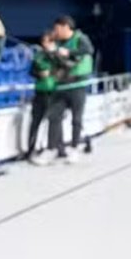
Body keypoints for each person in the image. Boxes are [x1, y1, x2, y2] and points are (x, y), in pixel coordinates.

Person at [35, 15, 94, 166]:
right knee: (53, 117)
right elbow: (54, 61)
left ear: (65, 27)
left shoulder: (80, 38)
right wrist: (50, 52)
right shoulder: (57, 42)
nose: (56, 32)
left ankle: (74, 149)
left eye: (57, 29)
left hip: (77, 86)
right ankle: (51, 149)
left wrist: (67, 52)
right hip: (60, 86)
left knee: (76, 119)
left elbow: (88, 50)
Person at [26, 32, 56, 158]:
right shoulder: (38, 57)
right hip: (39, 92)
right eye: (44, 42)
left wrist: (51, 72)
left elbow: (64, 70)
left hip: (53, 92)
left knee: (52, 123)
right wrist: (40, 74)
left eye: (48, 42)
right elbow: (31, 72)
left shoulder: (57, 56)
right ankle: (31, 149)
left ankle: (50, 148)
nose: (45, 44)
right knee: (35, 122)